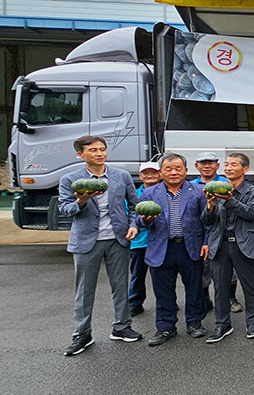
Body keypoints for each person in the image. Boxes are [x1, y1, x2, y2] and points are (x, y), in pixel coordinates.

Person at [59, 135, 141, 356]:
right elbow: (64, 209)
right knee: (84, 290)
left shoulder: (121, 176)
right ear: (80, 154)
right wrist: (81, 200)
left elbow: (135, 206)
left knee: (121, 285)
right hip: (87, 240)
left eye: (102, 149)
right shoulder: (70, 180)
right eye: (93, 150)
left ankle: (122, 326)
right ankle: (82, 334)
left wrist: (134, 225)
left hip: (117, 238)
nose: (99, 153)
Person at [138, 153, 209, 346]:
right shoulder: (149, 194)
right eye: (168, 169)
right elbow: (138, 219)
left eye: (178, 168)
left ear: (186, 170)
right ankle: (165, 326)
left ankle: (195, 322)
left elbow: (208, 221)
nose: (174, 172)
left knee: (194, 287)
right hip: (162, 248)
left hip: (190, 246)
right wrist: (144, 220)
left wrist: (206, 242)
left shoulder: (198, 191)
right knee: (163, 290)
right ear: (161, 172)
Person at [201, 152, 254, 341]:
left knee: (250, 286)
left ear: (245, 169)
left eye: (234, 164)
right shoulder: (214, 189)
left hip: (244, 244)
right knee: (220, 287)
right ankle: (222, 325)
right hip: (220, 244)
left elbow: (250, 213)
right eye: (227, 164)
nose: (228, 168)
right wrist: (210, 205)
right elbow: (206, 220)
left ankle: (253, 324)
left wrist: (229, 199)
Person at [192, 152, 230, 315]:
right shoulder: (192, 186)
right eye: (203, 163)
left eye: (210, 162)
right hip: (201, 234)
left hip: (224, 234)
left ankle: (231, 299)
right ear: (196, 166)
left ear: (217, 165)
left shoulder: (226, 183)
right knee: (203, 271)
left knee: (228, 273)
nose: (207, 166)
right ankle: (205, 299)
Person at [129, 161, 160, 318]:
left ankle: (166, 301)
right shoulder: (134, 194)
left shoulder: (164, 192)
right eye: (146, 173)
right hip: (139, 241)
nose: (150, 176)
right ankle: (135, 302)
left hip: (160, 241)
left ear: (160, 174)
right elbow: (129, 215)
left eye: (154, 173)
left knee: (161, 276)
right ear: (140, 176)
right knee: (137, 273)